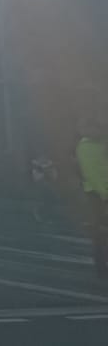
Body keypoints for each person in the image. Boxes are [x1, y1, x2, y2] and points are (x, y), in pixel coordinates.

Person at [78, 117, 108, 279]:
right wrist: (104, 194)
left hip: (102, 193)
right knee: (101, 231)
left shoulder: (101, 144)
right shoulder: (85, 147)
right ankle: (101, 266)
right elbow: (92, 173)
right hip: (96, 195)